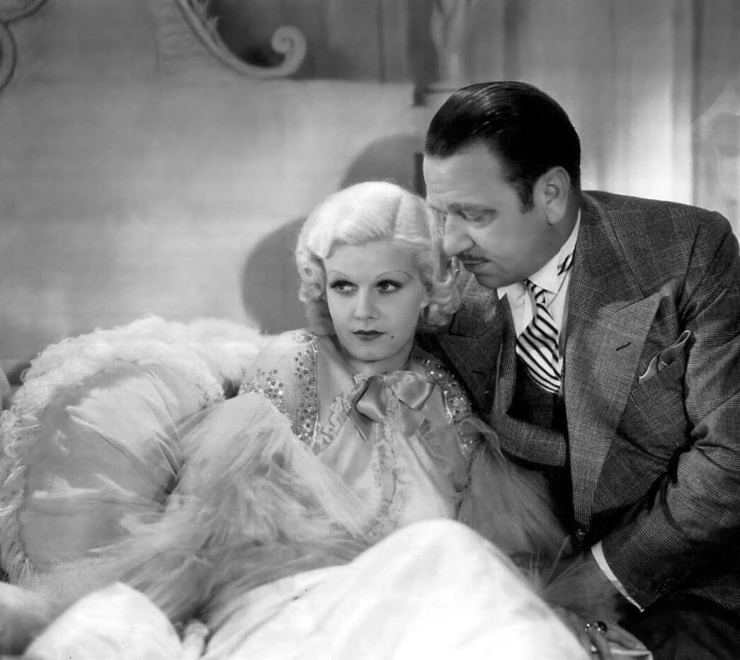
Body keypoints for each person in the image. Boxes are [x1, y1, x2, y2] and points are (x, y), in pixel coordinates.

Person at [1, 181, 606, 659]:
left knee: (468, 571)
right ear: (321, 286)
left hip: (426, 606)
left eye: (387, 286)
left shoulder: (444, 392)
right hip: (302, 602)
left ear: (428, 288)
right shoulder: (296, 363)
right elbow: (218, 528)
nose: (362, 311)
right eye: (343, 286)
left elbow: (501, 550)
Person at [420, 80, 740, 660]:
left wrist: (594, 583)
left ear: (551, 194)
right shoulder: (439, 286)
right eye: (439, 213)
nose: (449, 242)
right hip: (520, 581)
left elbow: (730, 457)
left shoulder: (689, 249)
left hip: (687, 581)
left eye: (473, 214)